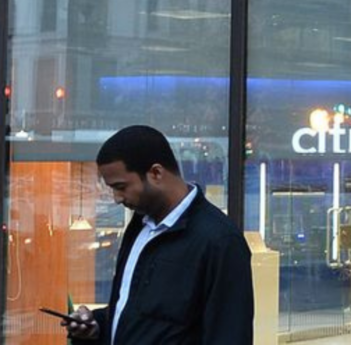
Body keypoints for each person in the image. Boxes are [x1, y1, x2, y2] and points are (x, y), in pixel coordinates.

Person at [64, 125, 254, 345]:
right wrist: (96, 326)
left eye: (121, 187)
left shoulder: (220, 241)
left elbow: (229, 335)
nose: (116, 198)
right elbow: (140, 314)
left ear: (156, 173)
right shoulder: (139, 226)